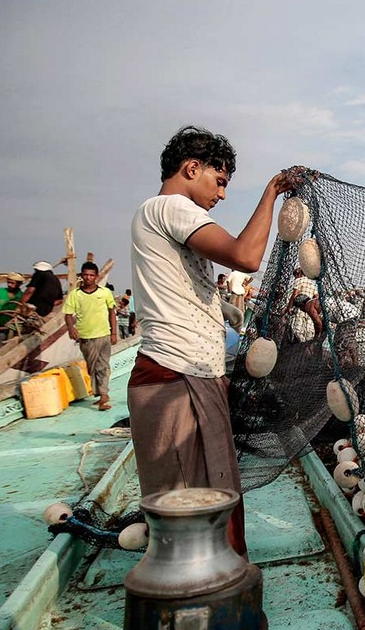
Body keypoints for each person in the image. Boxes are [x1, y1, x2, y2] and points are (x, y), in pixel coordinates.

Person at [128, 124, 307, 558]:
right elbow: (246, 256)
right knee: (190, 517)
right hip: (175, 379)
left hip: (191, 376)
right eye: (220, 181)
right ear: (192, 168)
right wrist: (272, 192)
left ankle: (217, 603)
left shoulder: (159, 215)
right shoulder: (170, 206)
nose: (222, 195)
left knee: (214, 503)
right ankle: (200, 614)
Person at [63, 261, 118, 410]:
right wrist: (71, 328)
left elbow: (112, 313)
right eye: (86, 275)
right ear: (81, 276)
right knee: (92, 367)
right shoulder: (76, 294)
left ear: (96, 277)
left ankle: (104, 395)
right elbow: (68, 314)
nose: (88, 278)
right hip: (85, 336)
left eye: (91, 275)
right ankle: (99, 392)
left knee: (103, 366)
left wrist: (114, 333)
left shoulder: (105, 293)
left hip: (104, 334)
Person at [17, 261, 64, 333]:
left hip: (33, 307)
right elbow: (59, 300)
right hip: (46, 311)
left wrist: (21, 305)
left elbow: (30, 290)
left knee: (15, 327)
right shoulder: (56, 279)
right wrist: (49, 303)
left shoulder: (39, 274)